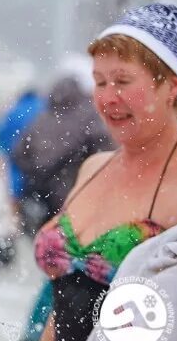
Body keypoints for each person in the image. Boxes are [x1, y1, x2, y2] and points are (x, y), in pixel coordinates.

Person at [32, 3, 177, 341]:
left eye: (123, 81)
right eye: (99, 82)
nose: (108, 97)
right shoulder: (93, 168)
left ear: (172, 86)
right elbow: (62, 309)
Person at [12, 74, 114, 230]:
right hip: (78, 196)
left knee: (49, 244)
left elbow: (18, 153)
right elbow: (105, 150)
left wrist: (36, 175)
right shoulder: (89, 117)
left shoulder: (41, 119)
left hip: (44, 198)